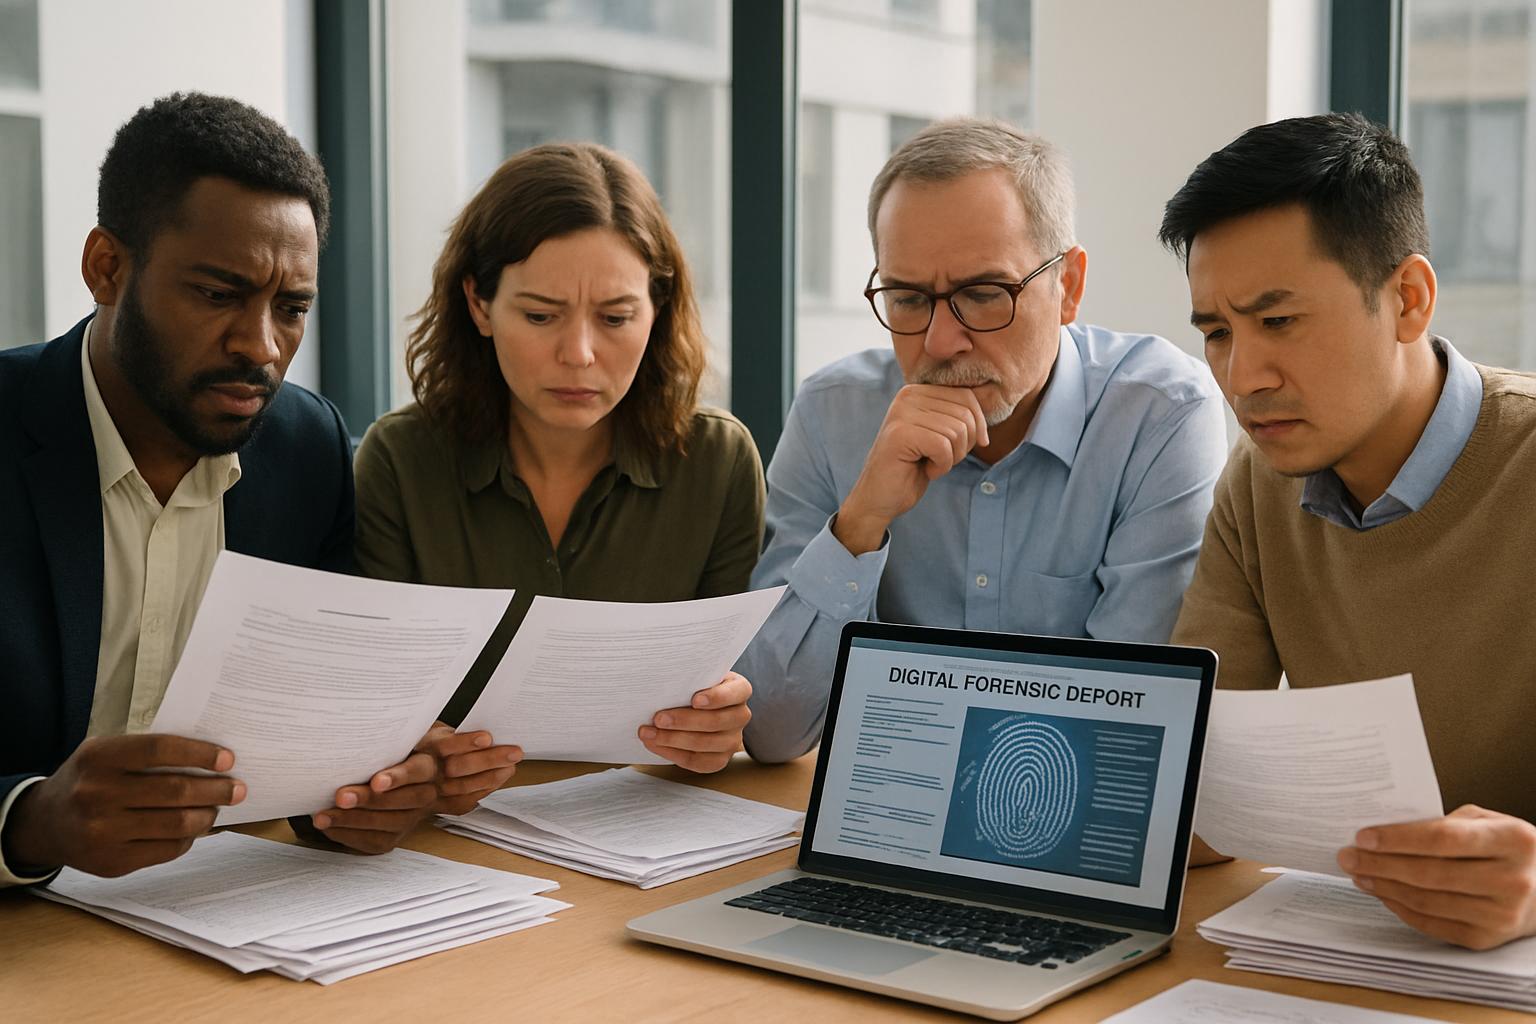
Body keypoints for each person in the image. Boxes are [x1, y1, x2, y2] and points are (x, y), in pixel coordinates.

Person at [0, 93, 470, 885]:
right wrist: (30, 820)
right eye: (219, 295)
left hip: (227, 906)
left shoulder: (307, 448)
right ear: (107, 268)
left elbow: (311, 732)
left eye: (292, 308)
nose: (262, 347)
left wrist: (358, 797)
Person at [738, 118, 1229, 763]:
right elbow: (770, 730)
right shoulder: (833, 412)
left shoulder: (1160, 414)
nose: (941, 342)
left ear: (1068, 287)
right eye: (908, 298)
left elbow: (1128, 726)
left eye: (983, 293)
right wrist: (858, 525)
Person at [1161, 112, 1536, 950]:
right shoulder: (1258, 484)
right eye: (1217, 333)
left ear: (1408, 300)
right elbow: (1194, 795)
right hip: (1362, 950)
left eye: (1278, 322)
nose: (1242, 378)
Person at [354, 142, 764, 776]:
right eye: (541, 316)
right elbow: (374, 700)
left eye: (616, 318)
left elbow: (729, 689)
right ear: (479, 304)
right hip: (450, 823)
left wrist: (719, 723)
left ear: (656, 309)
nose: (579, 354)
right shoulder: (398, 460)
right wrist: (410, 746)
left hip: (644, 814)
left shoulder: (719, 461)